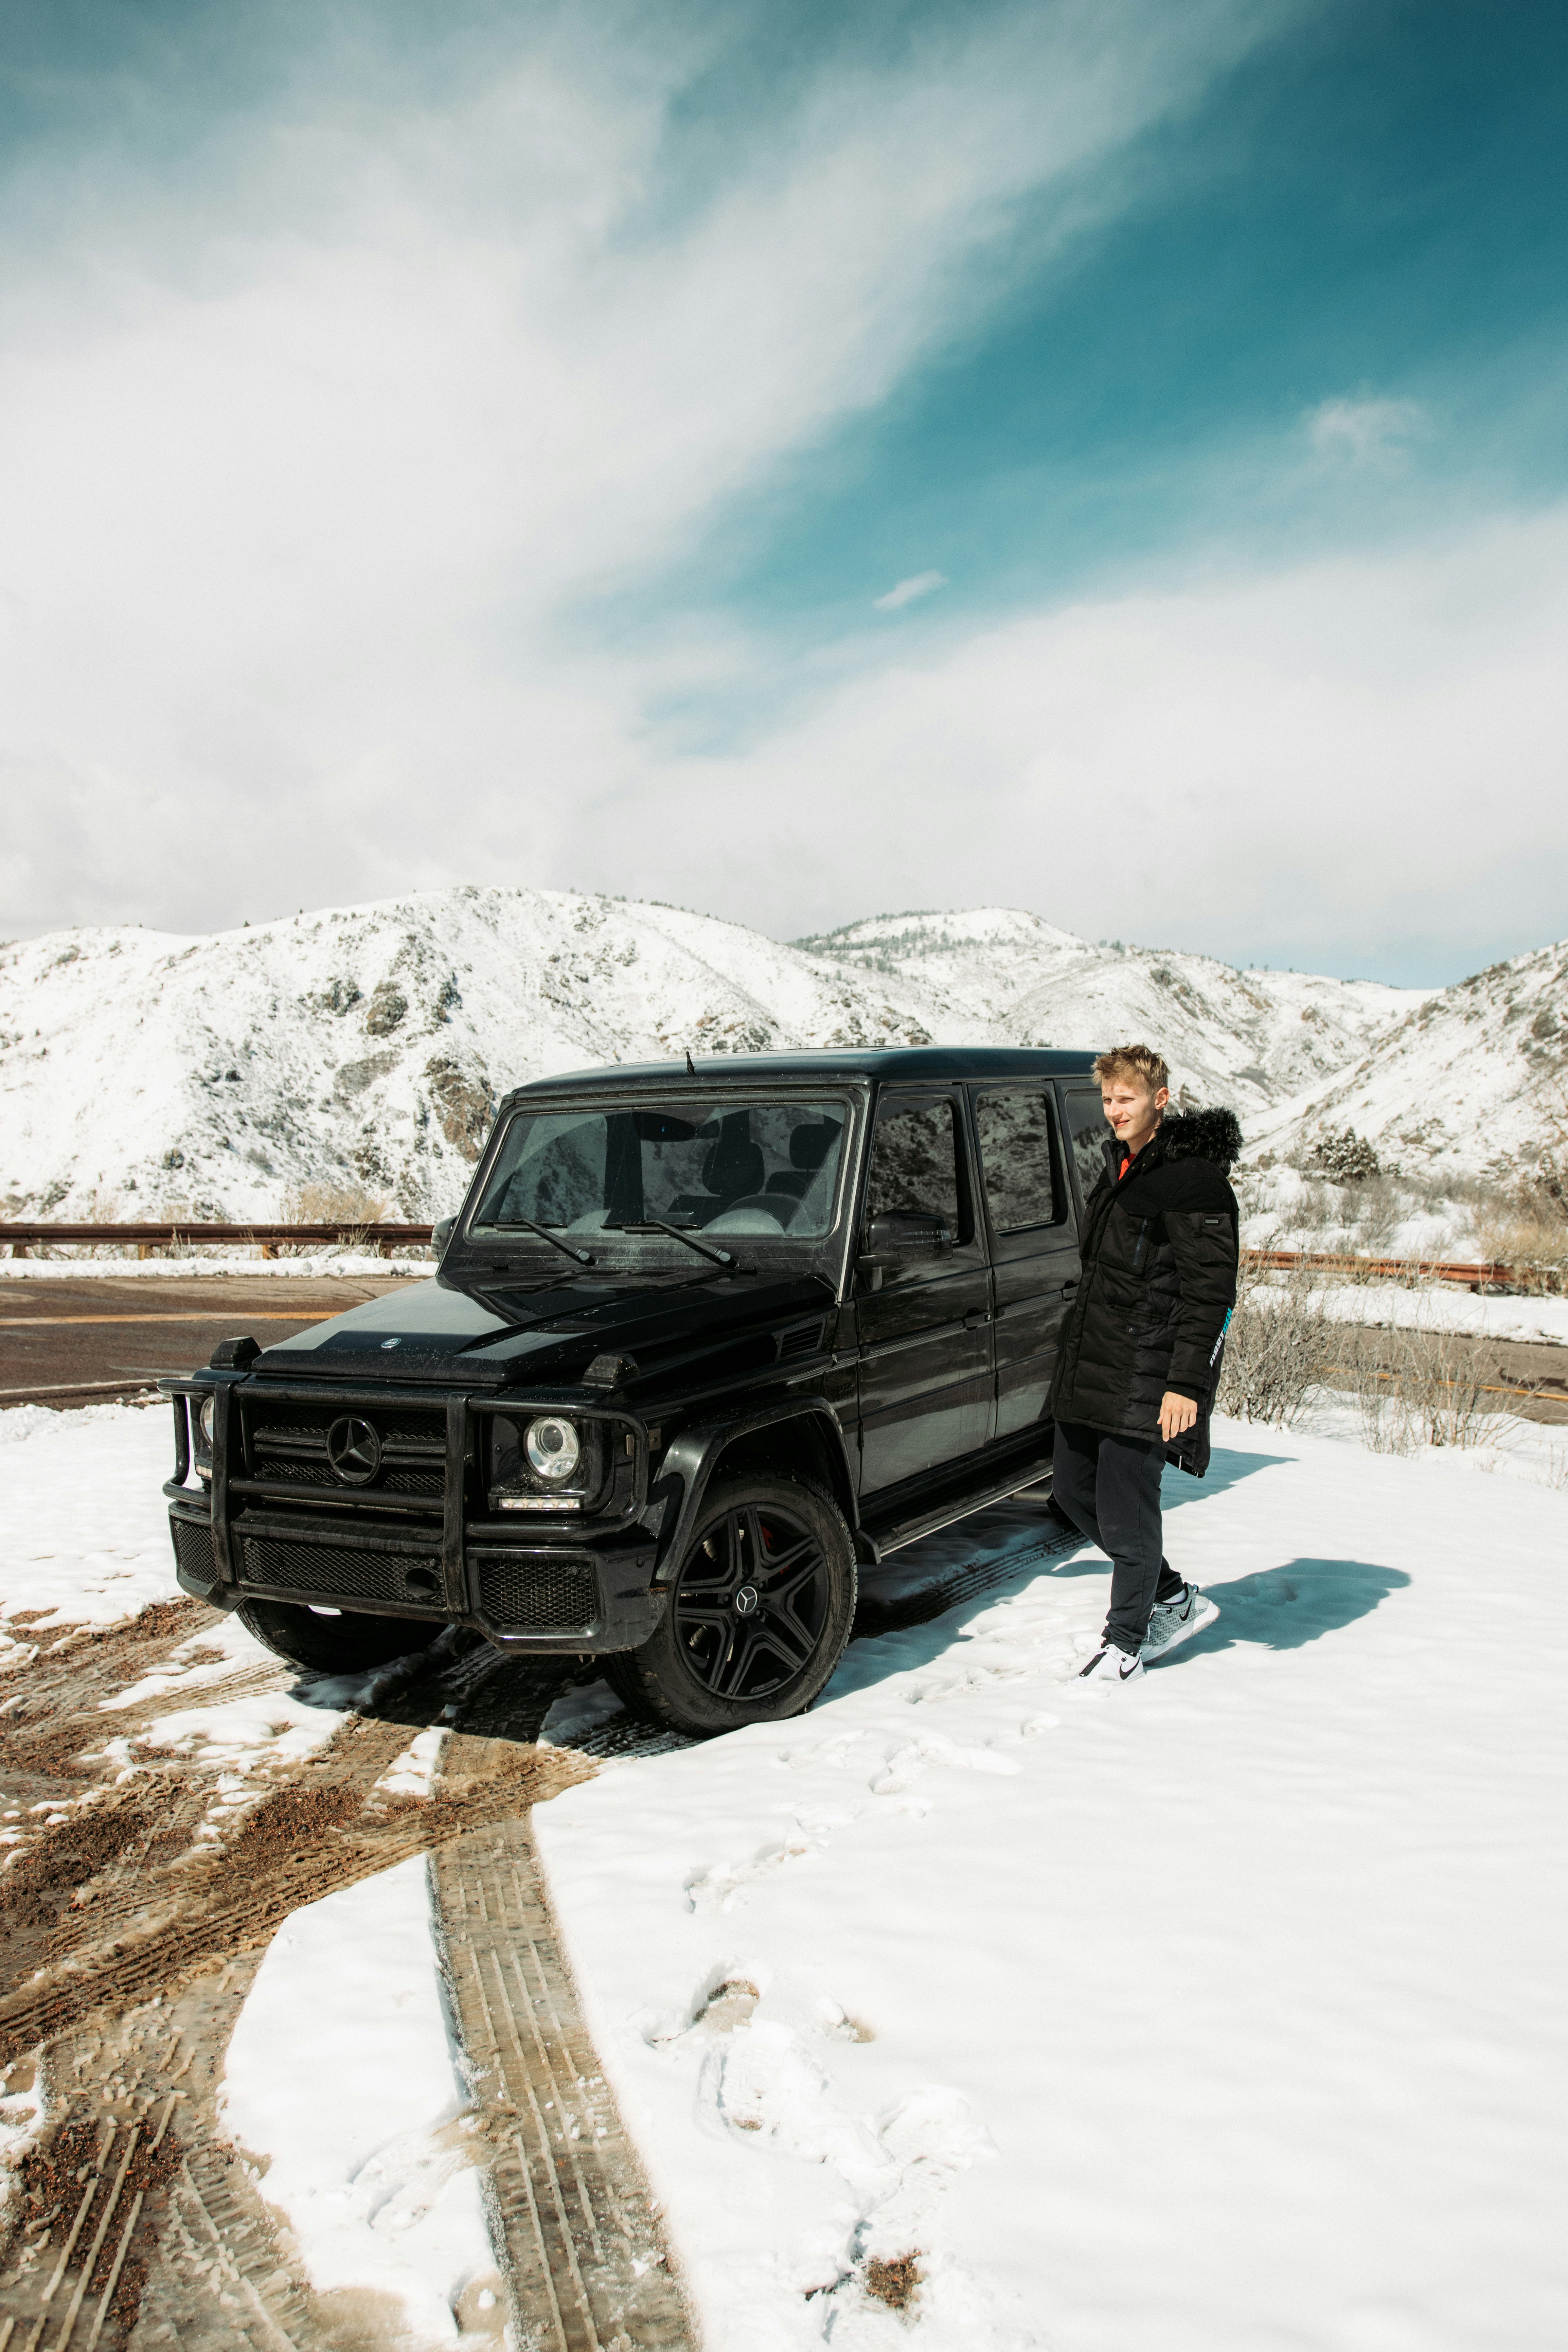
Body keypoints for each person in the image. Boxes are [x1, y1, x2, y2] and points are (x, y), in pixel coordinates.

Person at [1048, 1045, 1241, 1683]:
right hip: (1095, 1365)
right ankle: (1175, 1597)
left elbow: (1210, 1292)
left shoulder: (1192, 1181)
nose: (1114, 1111)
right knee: (1074, 1493)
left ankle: (1126, 1642)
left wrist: (1186, 1384)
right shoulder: (1123, 1166)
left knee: (1128, 1514)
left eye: (1126, 1099)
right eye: (1107, 1100)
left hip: (1148, 1373)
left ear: (1160, 1099)